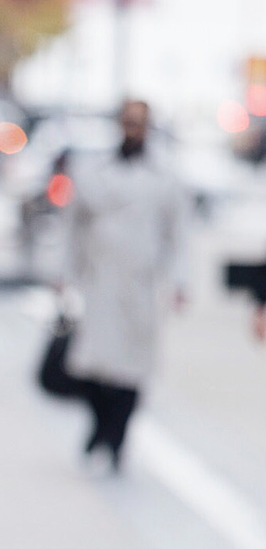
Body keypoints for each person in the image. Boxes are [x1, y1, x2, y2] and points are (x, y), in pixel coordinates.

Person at [58, 98, 187, 467]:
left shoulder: (166, 176)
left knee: (133, 367)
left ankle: (117, 438)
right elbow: (72, 227)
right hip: (100, 280)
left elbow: (179, 233)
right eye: (127, 121)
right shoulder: (93, 170)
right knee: (92, 365)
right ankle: (100, 427)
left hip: (141, 283)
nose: (132, 129)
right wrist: (64, 273)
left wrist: (179, 281)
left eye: (139, 123)